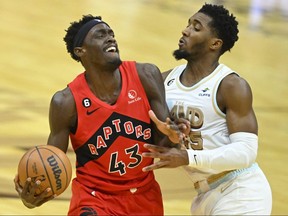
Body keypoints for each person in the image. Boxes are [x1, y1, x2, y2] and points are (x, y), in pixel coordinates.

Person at [13, 15, 188, 215]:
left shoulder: (146, 75)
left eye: (111, 34)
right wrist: (33, 198)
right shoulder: (66, 103)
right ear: (81, 51)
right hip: (94, 198)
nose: (111, 38)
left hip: (144, 196)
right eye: (101, 35)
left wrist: (173, 138)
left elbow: (163, 146)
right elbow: (52, 169)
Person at [142, 3, 272, 215]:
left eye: (196, 27)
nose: (185, 30)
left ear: (215, 43)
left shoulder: (231, 85)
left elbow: (246, 153)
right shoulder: (165, 81)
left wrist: (187, 157)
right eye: (188, 24)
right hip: (202, 195)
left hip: (241, 191)